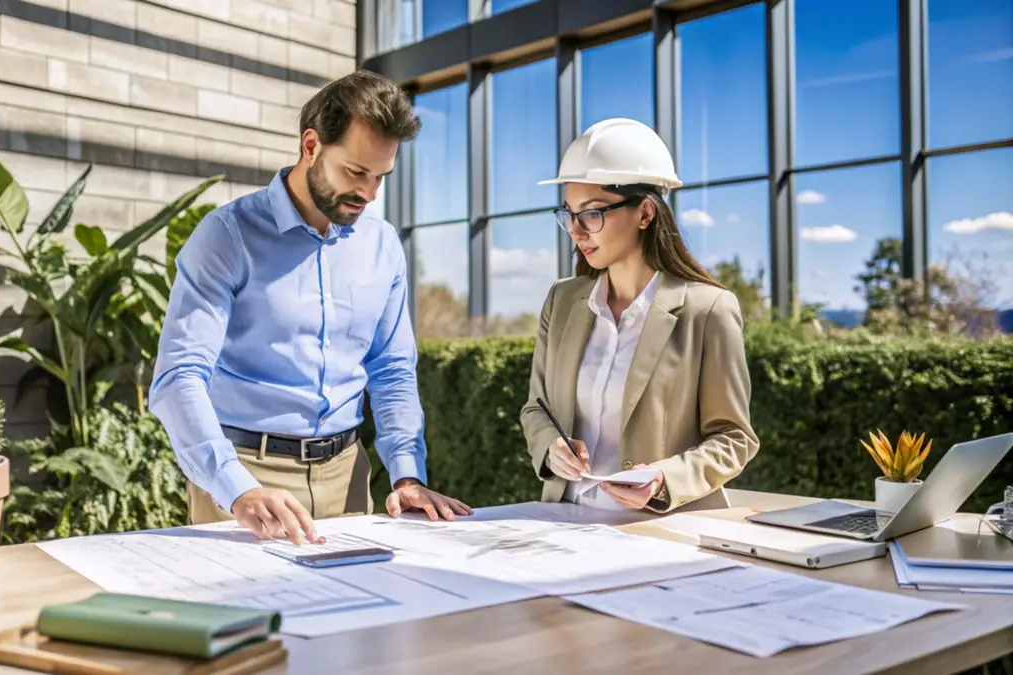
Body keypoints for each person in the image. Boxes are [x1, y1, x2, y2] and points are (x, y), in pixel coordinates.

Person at [150, 70, 472, 545]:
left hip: (347, 473)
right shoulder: (228, 236)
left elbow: (392, 369)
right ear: (311, 146)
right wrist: (237, 488)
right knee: (248, 618)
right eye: (355, 172)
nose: (369, 193)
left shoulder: (382, 245)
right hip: (244, 476)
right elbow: (178, 375)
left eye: (381, 176)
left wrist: (407, 475)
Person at [520, 118, 759, 514]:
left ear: (645, 213)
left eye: (592, 214)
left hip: (664, 533)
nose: (576, 232)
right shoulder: (561, 302)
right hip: (565, 523)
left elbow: (734, 438)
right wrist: (550, 447)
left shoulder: (708, 309)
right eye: (568, 214)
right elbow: (536, 408)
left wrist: (665, 479)